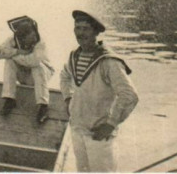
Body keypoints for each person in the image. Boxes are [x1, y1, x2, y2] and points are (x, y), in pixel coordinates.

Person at [60, 10, 139, 172]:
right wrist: (68, 99)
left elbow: (129, 95)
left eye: (86, 29)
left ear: (96, 32)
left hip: (99, 134)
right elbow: (64, 76)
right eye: (77, 28)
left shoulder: (109, 61)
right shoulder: (74, 56)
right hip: (77, 130)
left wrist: (111, 124)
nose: (81, 33)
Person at [0, 16, 54, 123]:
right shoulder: (13, 40)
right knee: (9, 62)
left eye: (35, 34)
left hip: (42, 76)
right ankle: (9, 98)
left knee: (38, 67)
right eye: (31, 37)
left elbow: (33, 61)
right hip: (24, 74)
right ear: (23, 38)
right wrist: (17, 51)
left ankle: (43, 106)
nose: (35, 38)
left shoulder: (40, 42)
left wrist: (13, 55)